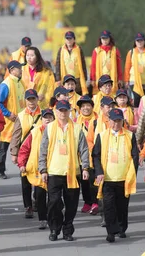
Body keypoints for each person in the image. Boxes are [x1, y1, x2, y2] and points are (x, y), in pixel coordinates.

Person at [39, 100, 90, 242]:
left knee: (71, 203)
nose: (63, 113)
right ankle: (54, 228)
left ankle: (68, 229)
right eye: (60, 110)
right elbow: (43, 150)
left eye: (65, 110)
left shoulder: (77, 128)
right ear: (56, 112)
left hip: (72, 172)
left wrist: (85, 167)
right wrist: (43, 169)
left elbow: (84, 150)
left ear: (69, 111)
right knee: (53, 202)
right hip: (54, 171)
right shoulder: (49, 128)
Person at [93, 108, 139, 243]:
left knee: (122, 205)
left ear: (122, 121)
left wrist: (132, 173)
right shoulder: (102, 136)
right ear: (109, 121)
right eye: (114, 121)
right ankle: (111, 231)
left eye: (119, 121)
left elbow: (134, 155)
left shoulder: (130, 135)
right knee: (108, 205)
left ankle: (121, 228)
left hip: (124, 178)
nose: (116, 124)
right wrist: (99, 172)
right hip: (107, 178)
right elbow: (96, 155)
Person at [18, 109, 54, 230]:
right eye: (45, 117)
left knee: (54, 196)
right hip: (38, 169)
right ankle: (43, 218)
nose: (48, 119)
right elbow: (24, 149)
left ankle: (53, 217)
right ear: (42, 119)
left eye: (50, 117)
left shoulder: (58, 132)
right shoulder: (35, 132)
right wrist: (22, 164)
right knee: (40, 194)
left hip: (54, 168)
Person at [9, 89, 42, 219]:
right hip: (25, 152)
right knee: (25, 180)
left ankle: (39, 202)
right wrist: (14, 153)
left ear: (37, 100)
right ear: (25, 101)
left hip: (40, 151)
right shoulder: (21, 115)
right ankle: (28, 206)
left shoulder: (44, 114)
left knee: (40, 179)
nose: (31, 102)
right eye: (29, 99)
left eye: (33, 99)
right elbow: (16, 135)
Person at [0, 60, 25, 179]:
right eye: (19, 68)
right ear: (12, 70)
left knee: (22, 145)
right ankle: (0, 170)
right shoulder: (6, 84)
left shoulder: (21, 82)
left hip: (20, 120)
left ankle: (22, 168)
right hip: (8, 122)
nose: (21, 70)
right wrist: (8, 114)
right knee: (3, 147)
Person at [124, 32, 145, 108]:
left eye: (141, 41)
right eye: (138, 41)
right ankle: (136, 117)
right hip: (134, 81)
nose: (139, 42)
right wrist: (126, 80)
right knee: (136, 99)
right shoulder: (131, 52)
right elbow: (127, 67)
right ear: (135, 42)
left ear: (144, 41)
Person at [55, 31, 88, 95]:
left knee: (77, 94)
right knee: (66, 94)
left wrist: (85, 78)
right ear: (65, 40)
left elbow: (83, 64)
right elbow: (58, 65)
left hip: (77, 78)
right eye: (67, 39)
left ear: (74, 39)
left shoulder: (78, 49)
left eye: (70, 39)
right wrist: (58, 78)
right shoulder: (61, 50)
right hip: (65, 78)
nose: (69, 41)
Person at [90, 30, 122, 94]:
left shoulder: (115, 50)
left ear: (109, 39)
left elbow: (119, 65)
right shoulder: (96, 51)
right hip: (100, 78)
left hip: (112, 78)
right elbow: (93, 66)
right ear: (100, 39)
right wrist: (92, 79)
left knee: (112, 95)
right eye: (103, 38)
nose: (105, 40)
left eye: (106, 38)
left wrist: (120, 78)